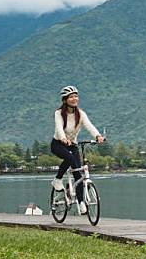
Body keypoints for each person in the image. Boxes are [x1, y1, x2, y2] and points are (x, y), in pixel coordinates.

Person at [51, 85, 104, 214]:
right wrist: (63, 138)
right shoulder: (58, 113)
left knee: (78, 175)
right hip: (58, 144)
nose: (74, 99)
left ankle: (81, 202)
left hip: (72, 145)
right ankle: (57, 180)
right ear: (65, 100)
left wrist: (97, 136)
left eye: (76, 96)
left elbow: (89, 126)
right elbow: (59, 128)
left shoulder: (80, 114)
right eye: (71, 97)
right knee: (69, 158)